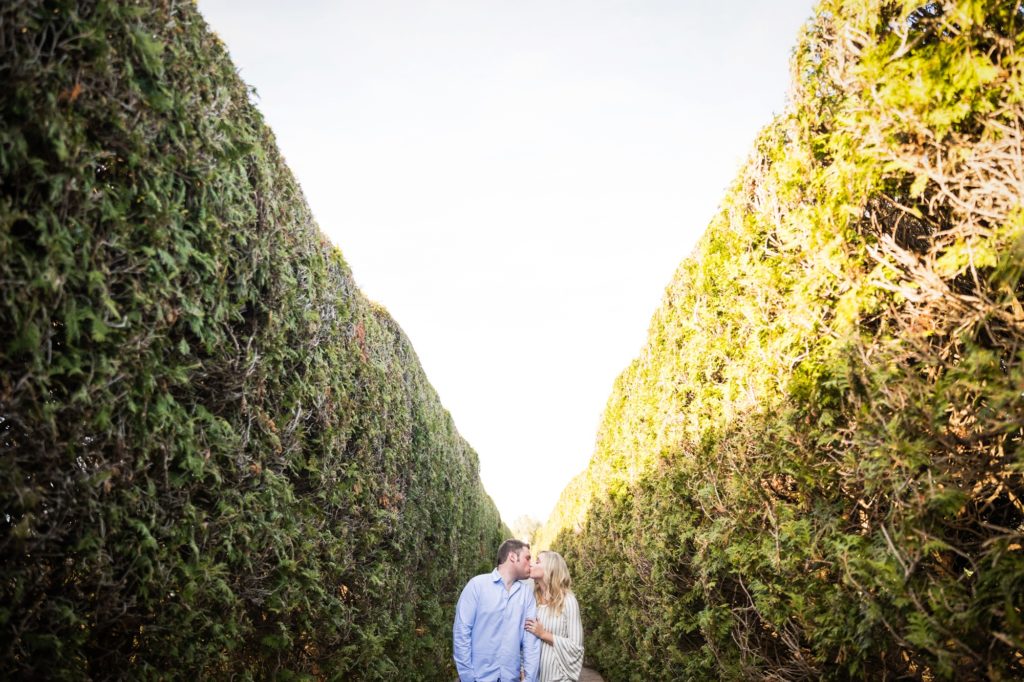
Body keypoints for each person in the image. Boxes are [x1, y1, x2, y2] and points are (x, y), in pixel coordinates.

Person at [453, 539, 541, 682]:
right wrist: (468, 678)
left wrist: (530, 679)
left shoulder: (526, 595)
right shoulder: (477, 586)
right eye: (527, 557)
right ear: (512, 557)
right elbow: (461, 633)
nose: (530, 563)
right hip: (478, 678)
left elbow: (530, 643)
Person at [523, 551, 584, 682]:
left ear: (551, 567)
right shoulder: (533, 599)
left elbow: (576, 647)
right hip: (534, 678)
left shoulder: (568, 601)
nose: (532, 564)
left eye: (538, 561)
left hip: (560, 678)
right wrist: (523, 670)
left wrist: (543, 634)